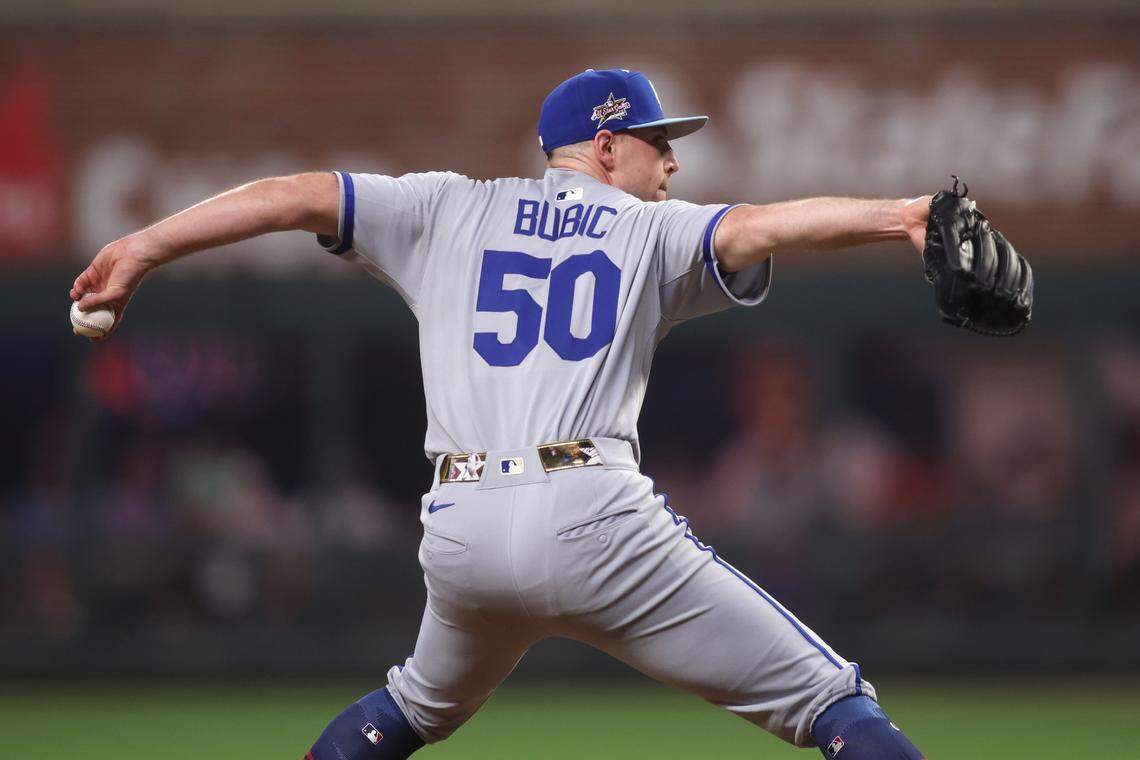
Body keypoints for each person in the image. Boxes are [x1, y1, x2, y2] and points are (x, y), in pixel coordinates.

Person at [71, 68, 930, 759]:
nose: (670, 164)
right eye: (657, 143)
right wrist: (898, 219)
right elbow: (761, 226)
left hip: (462, 527)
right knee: (829, 698)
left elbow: (297, 194)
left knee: (410, 707)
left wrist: (145, 244)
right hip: (594, 513)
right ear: (604, 145)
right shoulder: (646, 233)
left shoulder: (447, 206)